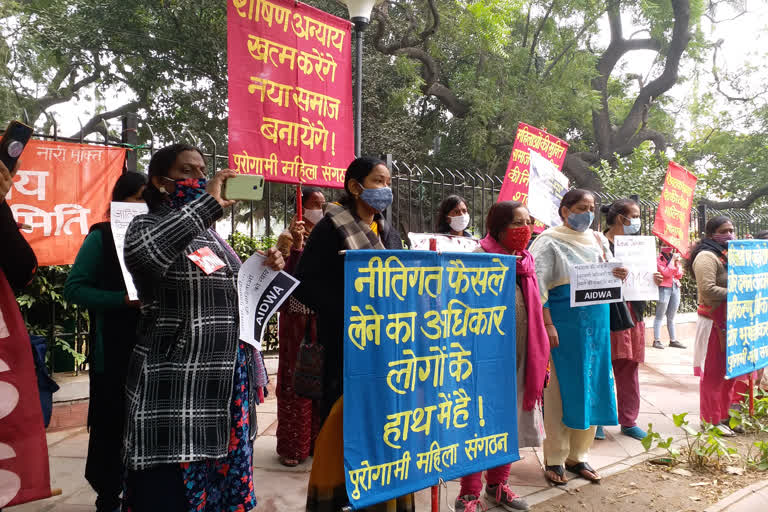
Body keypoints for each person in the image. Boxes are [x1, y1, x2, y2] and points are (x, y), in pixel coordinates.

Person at [122, 143, 285, 512]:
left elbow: (237, 295)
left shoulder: (212, 238)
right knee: (169, 498)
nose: (199, 179)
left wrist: (265, 267)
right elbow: (148, 255)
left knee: (216, 496)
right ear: (159, 181)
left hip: (222, 394)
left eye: (202, 171)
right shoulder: (144, 226)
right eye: (187, 171)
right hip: (176, 394)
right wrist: (207, 202)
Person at [294, 157, 412, 511]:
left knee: (385, 420)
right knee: (343, 424)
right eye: (378, 180)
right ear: (355, 186)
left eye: (388, 181)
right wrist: (348, 311)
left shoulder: (386, 231)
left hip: (387, 345)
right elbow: (305, 285)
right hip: (346, 346)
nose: (385, 188)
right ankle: (338, 497)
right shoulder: (331, 228)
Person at [454, 201, 550, 512]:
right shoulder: (478, 259)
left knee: (509, 423)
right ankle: (468, 494)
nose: (525, 229)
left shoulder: (525, 261)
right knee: (479, 424)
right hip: (482, 360)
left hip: (520, 356)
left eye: (528, 222)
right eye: (517, 223)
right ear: (498, 227)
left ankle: (498, 485)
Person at [529, 189, 625, 485]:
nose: (589, 212)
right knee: (560, 390)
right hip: (564, 325)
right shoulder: (547, 241)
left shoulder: (597, 239)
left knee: (593, 384)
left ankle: (578, 456)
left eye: (592, 207)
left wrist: (620, 273)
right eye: (582, 207)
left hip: (596, 325)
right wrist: (548, 324)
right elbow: (536, 286)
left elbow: (610, 273)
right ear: (565, 210)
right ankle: (555, 458)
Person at [63, 172, 147, 512]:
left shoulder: (162, 237)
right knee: (112, 425)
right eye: (138, 197)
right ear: (120, 201)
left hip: (154, 349)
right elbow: (74, 288)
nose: (144, 205)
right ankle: (108, 495)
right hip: (112, 350)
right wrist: (121, 300)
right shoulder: (101, 237)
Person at [596, 200, 662, 442]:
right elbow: (587, 275)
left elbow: (647, 278)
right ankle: (598, 420)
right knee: (602, 367)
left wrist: (653, 278)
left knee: (629, 368)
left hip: (633, 312)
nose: (637, 220)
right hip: (607, 312)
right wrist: (609, 273)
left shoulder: (641, 246)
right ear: (619, 218)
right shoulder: (597, 242)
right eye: (633, 215)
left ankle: (629, 420)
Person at [274, 186, 326, 467]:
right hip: (296, 318)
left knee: (320, 375)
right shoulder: (287, 235)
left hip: (321, 315)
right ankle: (294, 445)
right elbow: (280, 277)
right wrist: (294, 247)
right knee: (296, 376)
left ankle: (318, 440)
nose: (319, 207)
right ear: (302, 206)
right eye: (314, 203)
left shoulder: (327, 234)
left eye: (322, 203)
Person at [689, 216, 736, 436]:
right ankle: (710, 420)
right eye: (724, 231)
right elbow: (707, 290)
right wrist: (739, 293)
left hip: (730, 319)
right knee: (713, 373)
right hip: (713, 321)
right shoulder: (706, 256)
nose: (730, 235)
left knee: (730, 371)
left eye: (732, 230)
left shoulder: (726, 255)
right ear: (711, 234)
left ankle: (724, 416)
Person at [654, 244, 685, 349]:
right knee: (660, 315)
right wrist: (672, 262)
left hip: (675, 287)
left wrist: (676, 263)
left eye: (669, 245)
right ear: (660, 246)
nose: (667, 247)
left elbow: (679, 274)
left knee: (671, 316)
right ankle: (657, 340)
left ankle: (673, 340)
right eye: (664, 245)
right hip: (664, 288)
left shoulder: (675, 258)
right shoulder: (658, 259)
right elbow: (665, 273)